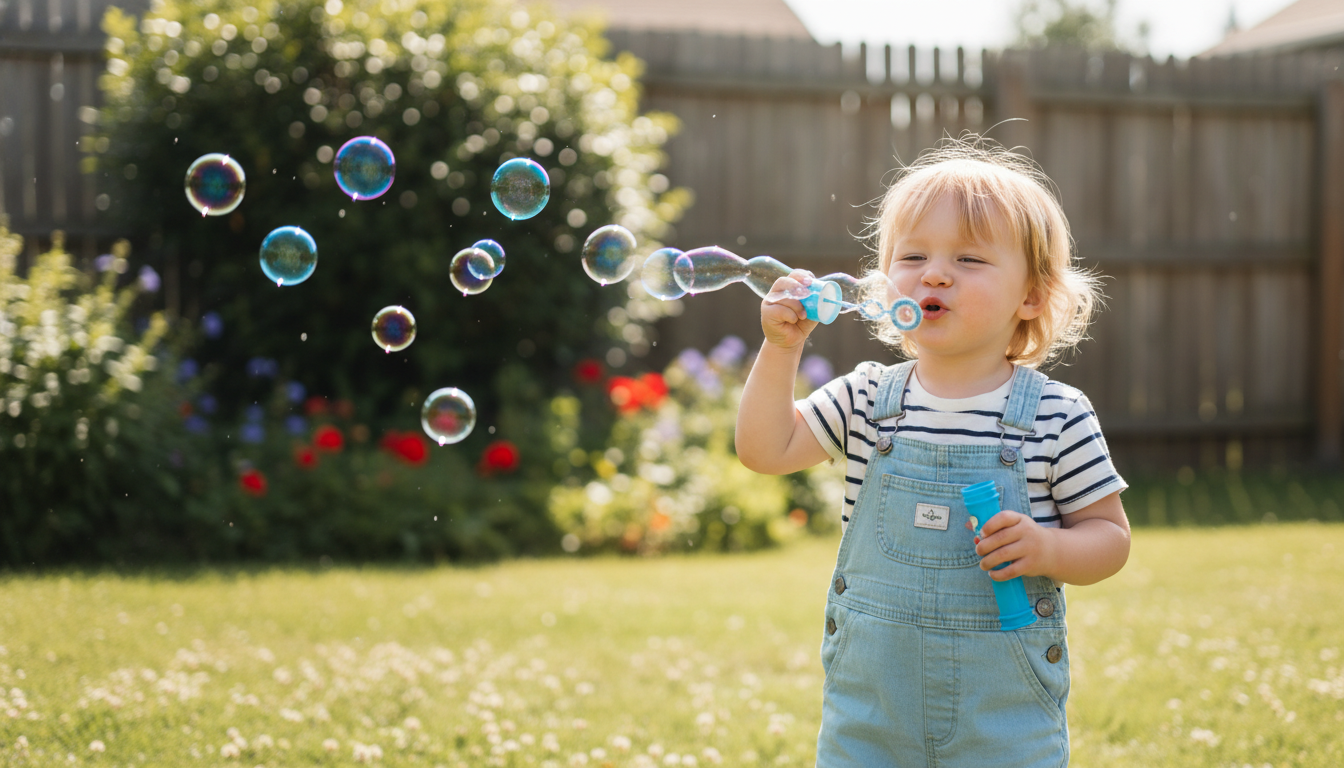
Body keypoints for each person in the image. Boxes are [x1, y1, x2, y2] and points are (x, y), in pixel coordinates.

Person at [735, 137, 1131, 767]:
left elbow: (1110, 537)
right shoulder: (867, 397)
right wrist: (782, 350)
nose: (935, 272)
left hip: (1002, 724)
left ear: (1031, 296)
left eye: (969, 258)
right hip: (870, 719)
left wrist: (1050, 548)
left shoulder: (1057, 414)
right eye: (912, 255)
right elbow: (765, 449)